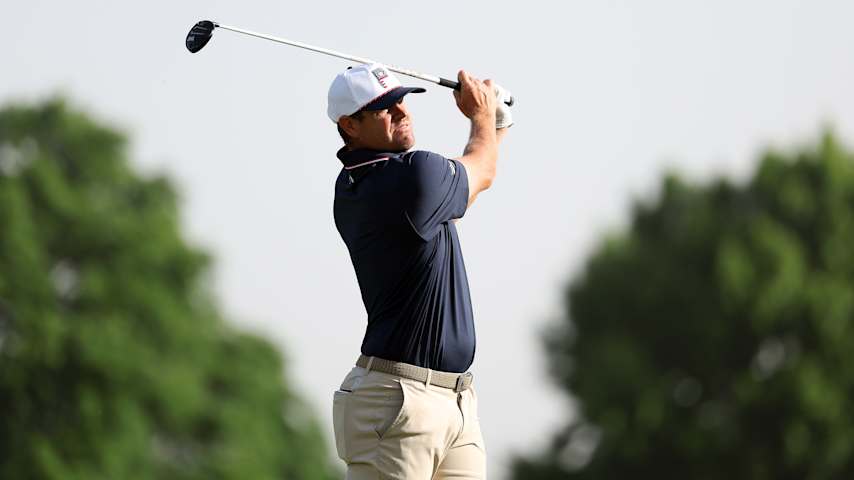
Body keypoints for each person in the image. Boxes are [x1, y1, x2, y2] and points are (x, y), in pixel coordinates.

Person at [328, 63, 511, 479]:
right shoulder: (412, 176)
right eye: (384, 108)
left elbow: (466, 187)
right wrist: (484, 117)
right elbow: (481, 170)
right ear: (350, 126)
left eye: (402, 101)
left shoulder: (364, 184)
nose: (401, 112)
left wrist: (495, 124)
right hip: (397, 402)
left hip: (456, 402)